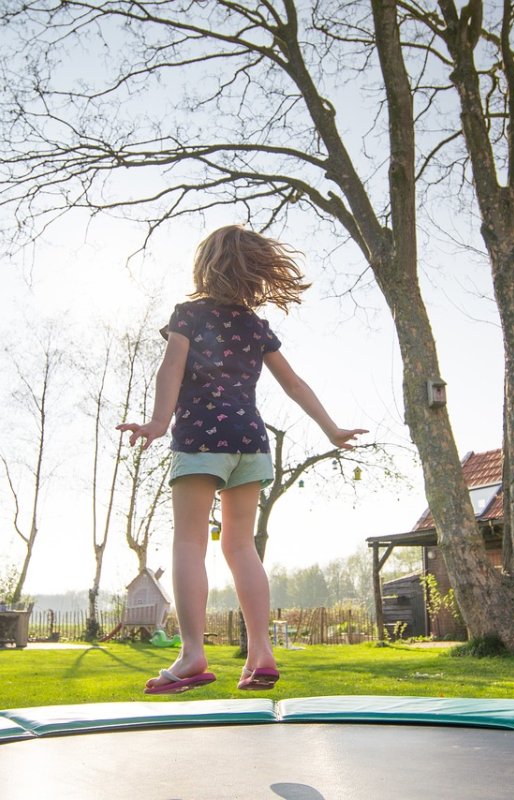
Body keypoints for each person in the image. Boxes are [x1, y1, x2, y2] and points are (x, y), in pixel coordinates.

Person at [117, 225, 367, 694]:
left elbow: (170, 367)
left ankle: (192, 654)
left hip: (201, 440)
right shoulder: (255, 326)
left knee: (190, 543)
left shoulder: (188, 315)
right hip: (250, 441)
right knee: (240, 546)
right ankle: (261, 652)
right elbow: (294, 384)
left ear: (206, 266)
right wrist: (331, 428)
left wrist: (155, 423)